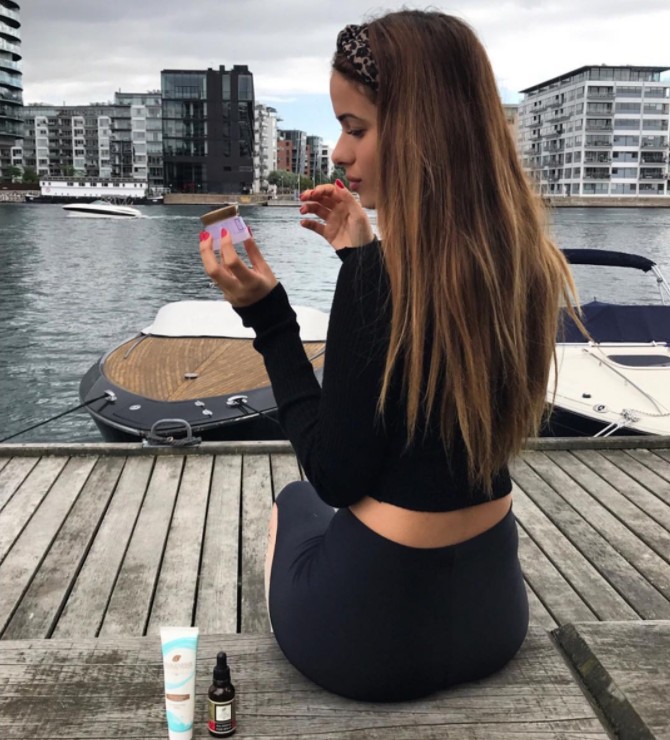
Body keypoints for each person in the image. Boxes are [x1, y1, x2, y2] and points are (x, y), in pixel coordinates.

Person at [200, 10, 579, 702]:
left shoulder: (378, 281)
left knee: (292, 502)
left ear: (420, 131)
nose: (339, 153)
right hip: (494, 615)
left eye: (356, 128)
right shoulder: (527, 263)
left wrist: (269, 317)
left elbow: (334, 477)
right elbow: (420, 390)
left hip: (369, 645)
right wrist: (361, 252)